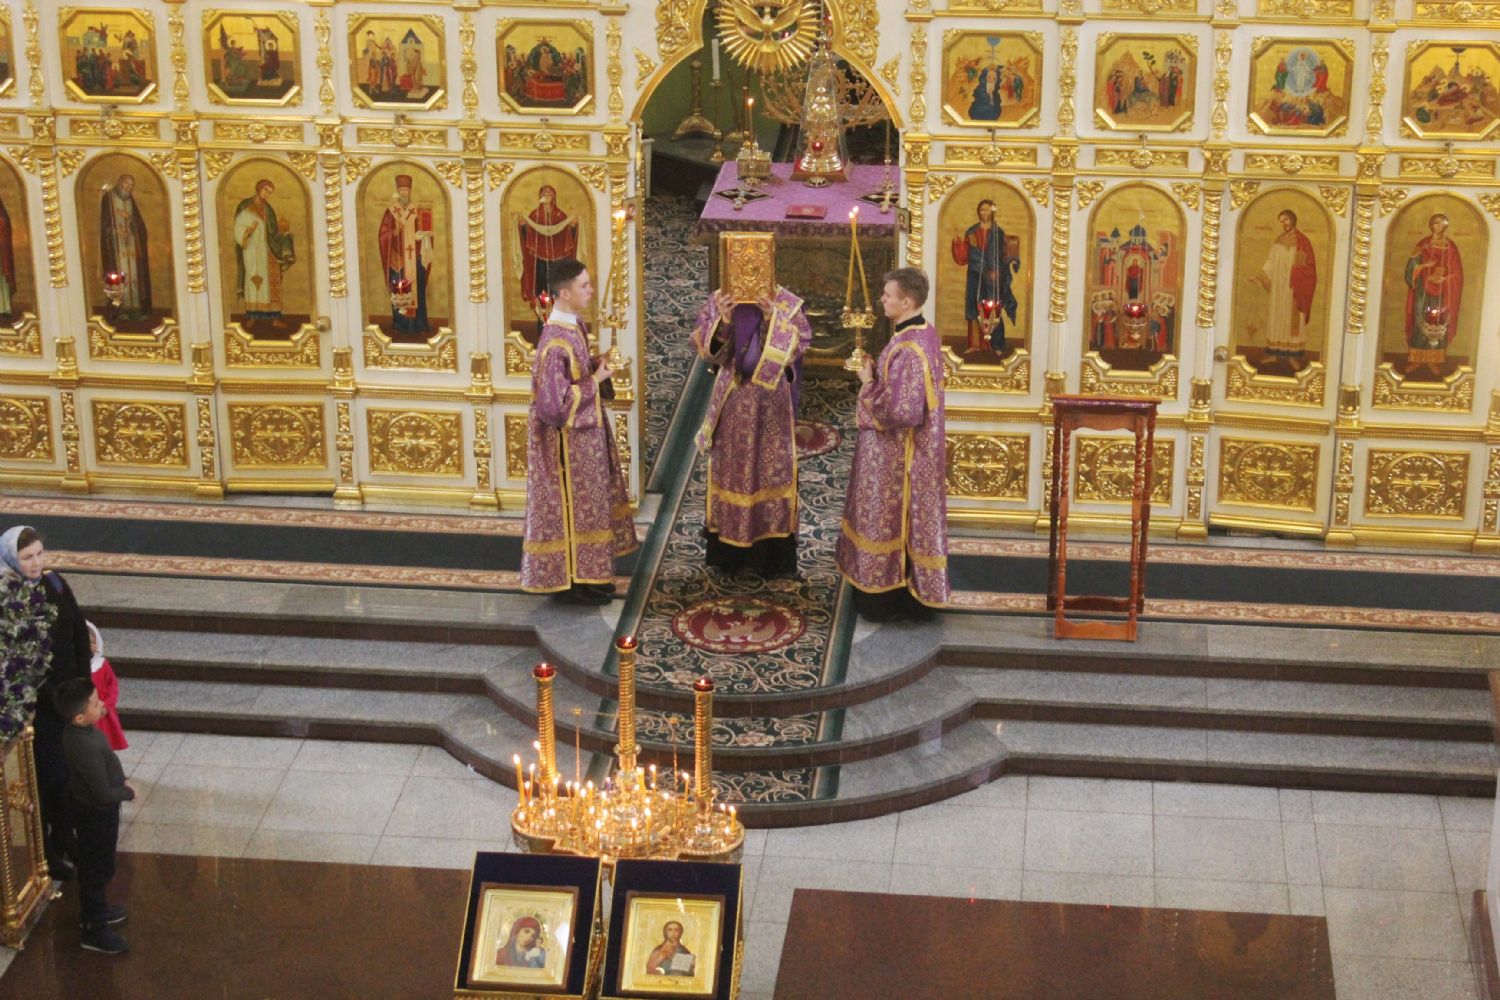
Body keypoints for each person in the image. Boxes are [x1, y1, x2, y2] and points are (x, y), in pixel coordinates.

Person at [835, 269, 950, 622]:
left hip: (899, 458)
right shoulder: (921, 332)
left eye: (888, 295)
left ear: (907, 301)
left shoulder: (910, 350)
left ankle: (886, 596)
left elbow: (903, 411)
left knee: (888, 519)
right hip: (901, 451)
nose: (882, 299)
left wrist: (867, 383)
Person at [521, 259, 638, 604]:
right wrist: (596, 380)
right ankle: (573, 583)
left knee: (592, 506)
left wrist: (597, 363)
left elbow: (576, 374)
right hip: (565, 449)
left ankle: (590, 575)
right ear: (564, 293)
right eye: (584, 286)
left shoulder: (575, 326)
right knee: (574, 508)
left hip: (585, 440)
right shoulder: (555, 342)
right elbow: (553, 407)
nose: (590, 291)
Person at [691, 281, 812, 577]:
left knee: (770, 469)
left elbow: (798, 346)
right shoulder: (721, 300)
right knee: (732, 469)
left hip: (771, 403)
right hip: (732, 401)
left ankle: (771, 556)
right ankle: (730, 555)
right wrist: (725, 321)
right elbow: (710, 353)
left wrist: (772, 318)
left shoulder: (787, 304)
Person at [1, 525, 91, 880]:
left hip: (70, 696)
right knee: (48, 777)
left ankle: (65, 835)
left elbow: (78, 631)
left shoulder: (55, 583)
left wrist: (84, 687)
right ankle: (45, 850)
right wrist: (48, 696)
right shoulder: (9, 597)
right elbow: (14, 659)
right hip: (39, 706)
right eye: (27, 557)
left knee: (71, 773)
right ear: (12, 559)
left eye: (40, 553)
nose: (36, 563)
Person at [56, 677, 134, 954]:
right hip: (95, 813)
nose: (101, 703)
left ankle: (96, 911)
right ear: (79, 717)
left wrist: (120, 781)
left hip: (100, 810)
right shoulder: (82, 745)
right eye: (94, 702)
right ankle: (94, 929)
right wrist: (127, 792)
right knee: (95, 868)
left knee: (101, 865)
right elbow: (101, 793)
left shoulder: (84, 731)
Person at [1252, 209, 1317, 375]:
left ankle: (1292, 357)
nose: (1284, 223)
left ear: (1293, 220)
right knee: (1277, 317)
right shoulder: (1278, 241)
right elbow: (1271, 262)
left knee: (1292, 321)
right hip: (1279, 288)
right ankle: (1273, 354)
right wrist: (1260, 275)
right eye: (1281, 221)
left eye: (1286, 219)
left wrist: (1298, 274)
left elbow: (1309, 267)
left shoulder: (1303, 242)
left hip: (1295, 289)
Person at [233, 179, 296, 327]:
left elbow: (272, 233)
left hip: (267, 250)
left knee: (272, 281)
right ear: (259, 188)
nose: (267, 194)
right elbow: (238, 227)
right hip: (251, 250)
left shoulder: (269, 210)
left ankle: (275, 318)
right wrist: (247, 232)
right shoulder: (245, 206)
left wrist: (284, 235)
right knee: (253, 280)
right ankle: (253, 316)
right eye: (266, 190)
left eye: (270, 192)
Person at [99, 174, 151, 323]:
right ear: (119, 183)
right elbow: (104, 225)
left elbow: (139, 225)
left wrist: (129, 218)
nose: (129, 187)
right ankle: (120, 309)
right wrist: (115, 232)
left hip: (131, 246)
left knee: (133, 276)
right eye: (126, 183)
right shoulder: (108, 199)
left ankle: (136, 308)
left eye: (131, 185)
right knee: (119, 278)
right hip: (116, 248)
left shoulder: (130, 201)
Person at [86, 622, 128, 752]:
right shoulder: (77, 667)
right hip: (87, 711)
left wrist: (107, 704)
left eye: (92, 644)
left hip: (104, 711)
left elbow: (112, 686)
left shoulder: (102, 664)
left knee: (105, 741)